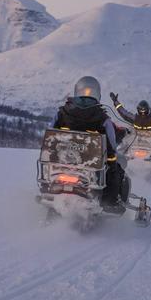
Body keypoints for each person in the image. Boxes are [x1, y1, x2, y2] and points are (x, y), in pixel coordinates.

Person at [53, 76, 126, 214]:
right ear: (97, 94)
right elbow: (111, 144)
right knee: (116, 169)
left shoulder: (62, 113)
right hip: (91, 163)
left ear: (77, 91)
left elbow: (50, 134)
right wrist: (112, 158)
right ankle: (111, 203)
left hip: (63, 160)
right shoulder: (103, 119)